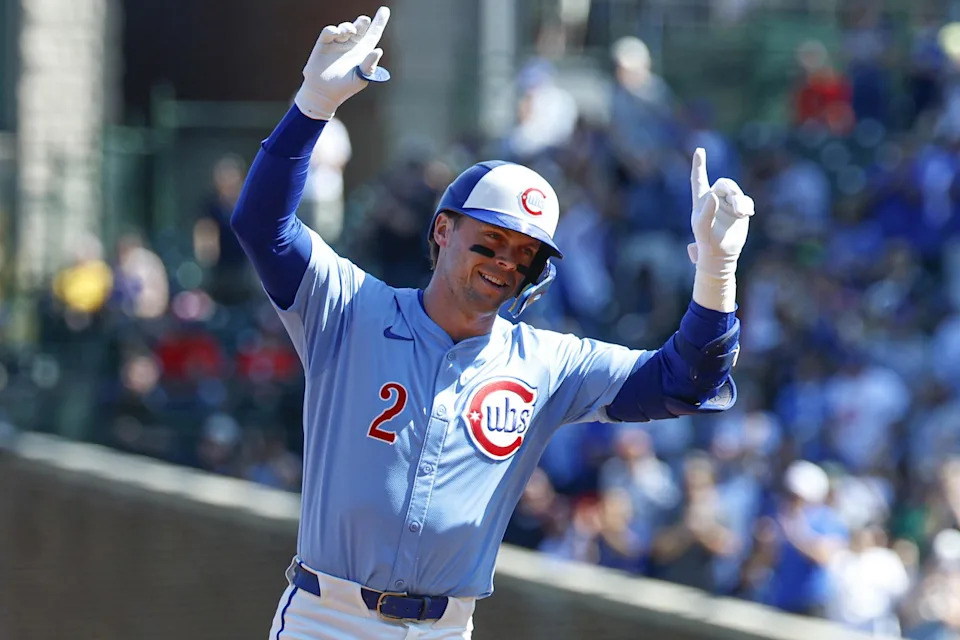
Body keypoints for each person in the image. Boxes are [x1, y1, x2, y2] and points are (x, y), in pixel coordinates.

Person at [230, 7, 755, 639]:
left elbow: (686, 382)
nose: (506, 262)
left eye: (524, 253)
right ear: (444, 230)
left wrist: (717, 273)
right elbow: (262, 227)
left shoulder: (548, 363)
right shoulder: (349, 307)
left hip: (444, 629)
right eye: (490, 242)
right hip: (327, 618)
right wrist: (313, 104)